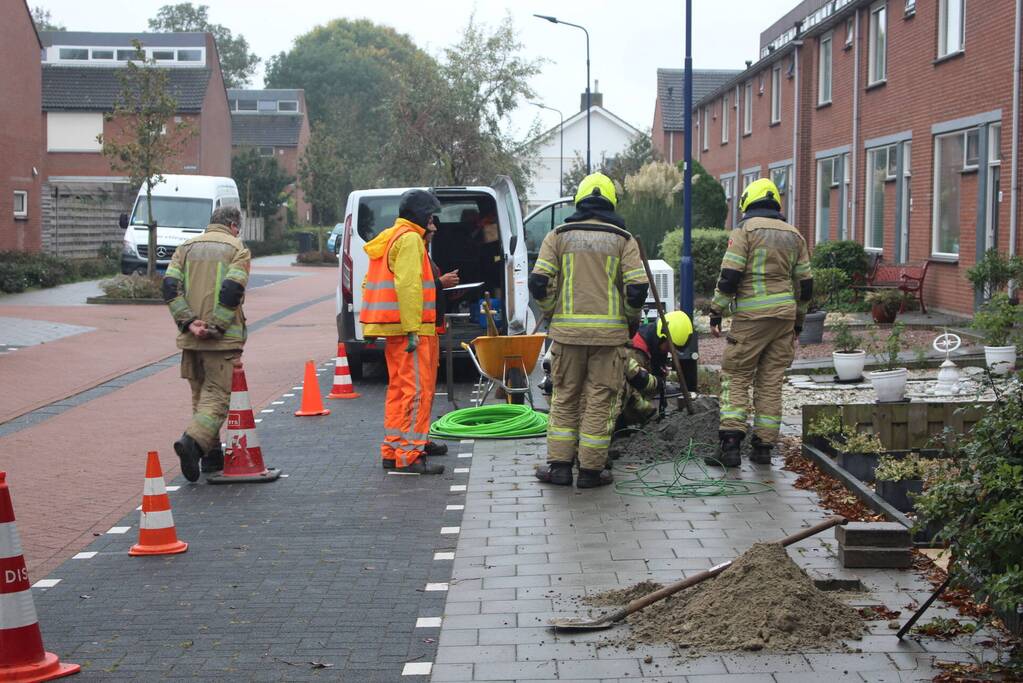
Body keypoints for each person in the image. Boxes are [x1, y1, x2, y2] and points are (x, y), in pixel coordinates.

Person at [529, 173, 649, 489]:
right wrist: (630, 319)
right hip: (609, 340)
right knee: (600, 401)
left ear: (579, 200)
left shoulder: (558, 236)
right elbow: (637, 289)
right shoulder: (624, 240)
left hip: (567, 337)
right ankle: (590, 472)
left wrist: (551, 309)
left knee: (564, 397)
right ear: (611, 202)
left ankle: (559, 468)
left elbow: (539, 282)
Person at [708, 178, 813, 467]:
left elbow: (730, 275)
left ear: (747, 203)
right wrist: (799, 322)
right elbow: (805, 285)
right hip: (784, 319)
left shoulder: (745, 231)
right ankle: (763, 448)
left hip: (751, 319)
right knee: (770, 381)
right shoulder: (795, 235)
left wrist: (716, 311)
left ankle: (730, 447)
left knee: (736, 376)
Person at [162, 206, 250, 482]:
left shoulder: (185, 248)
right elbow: (232, 290)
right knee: (217, 398)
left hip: (191, 340)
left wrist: (189, 322)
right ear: (233, 225)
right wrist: (215, 327)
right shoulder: (237, 249)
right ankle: (192, 443)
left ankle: (211, 457)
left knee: (200, 397)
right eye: (238, 228)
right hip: (221, 341)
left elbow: (169, 287)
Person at [361, 189, 444, 475]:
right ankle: (410, 455)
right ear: (420, 215)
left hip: (394, 329)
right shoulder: (410, 239)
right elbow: (409, 286)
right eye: (430, 218)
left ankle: (392, 449)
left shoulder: (388, 237)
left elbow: (368, 283)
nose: (433, 224)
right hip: (413, 330)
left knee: (398, 390)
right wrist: (412, 329)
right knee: (417, 392)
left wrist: (370, 326)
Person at [619, 311, 693, 427]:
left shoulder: (655, 344)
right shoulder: (636, 352)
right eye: (669, 347)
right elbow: (628, 394)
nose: (669, 352)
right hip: (622, 417)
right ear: (661, 337)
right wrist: (650, 414)